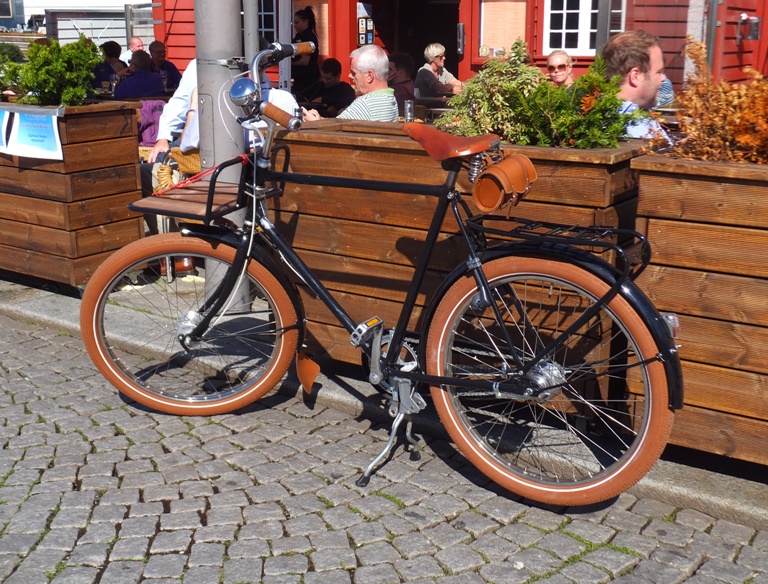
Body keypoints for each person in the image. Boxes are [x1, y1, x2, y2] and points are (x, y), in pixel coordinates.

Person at [602, 29, 670, 142]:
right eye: (659, 72)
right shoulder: (634, 129)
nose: (663, 78)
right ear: (635, 76)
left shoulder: (595, 115)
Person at [302, 44, 398, 123]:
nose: (350, 76)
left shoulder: (364, 104)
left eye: (353, 73)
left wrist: (315, 122)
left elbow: (334, 131)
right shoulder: (390, 99)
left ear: (369, 76)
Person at [290, 6, 320, 98]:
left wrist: (288, 63)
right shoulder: (299, 36)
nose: (294, 25)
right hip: (300, 77)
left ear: (305, 22)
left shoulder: (308, 37)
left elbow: (304, 61)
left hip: (308, 78)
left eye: (297, 22)